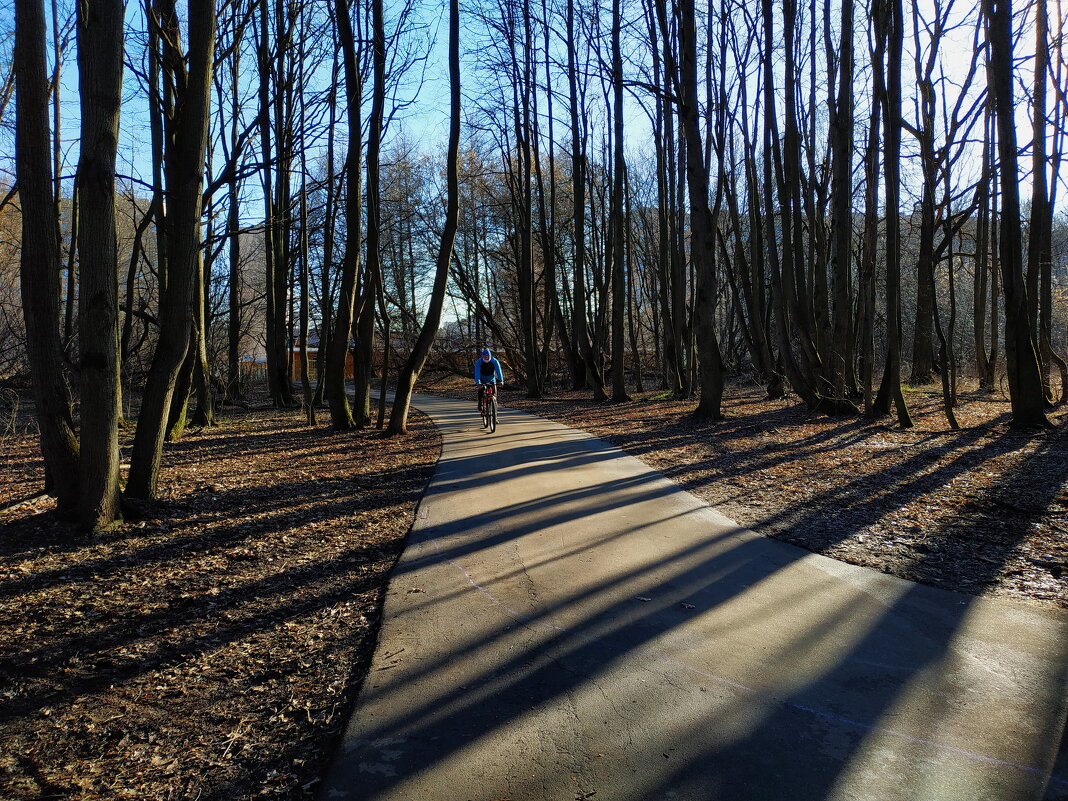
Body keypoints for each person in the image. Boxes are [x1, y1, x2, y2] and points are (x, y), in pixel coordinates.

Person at [473, 347, 504, 422]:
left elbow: (498, 371)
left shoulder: (494, 361)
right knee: (481, 389)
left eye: (488, 356)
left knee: (494, 396)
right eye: (485, 357)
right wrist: (478, 382)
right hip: (482, 378)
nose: (486, 358)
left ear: (490, 356)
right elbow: (477, 373)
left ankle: (495, 416)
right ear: (482, 356)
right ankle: (480, 402)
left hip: (491, 379)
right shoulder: (479, 362)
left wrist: (501, 380)